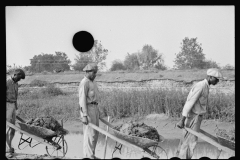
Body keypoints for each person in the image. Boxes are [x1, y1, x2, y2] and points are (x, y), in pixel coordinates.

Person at [176, 68, 223, 159]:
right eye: (216, 79)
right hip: (193, 116)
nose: (217, 81)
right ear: (210, 77)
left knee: (187, 140)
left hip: (197, 117)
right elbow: (189, 102)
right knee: (190, 141)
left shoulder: (206, 86)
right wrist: (182, 120)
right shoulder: (200, 86)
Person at [78, 63, 100, 159]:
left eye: (96, 72)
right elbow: (82, 100)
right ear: (87, 72)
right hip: (88, 109)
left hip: (95, 108)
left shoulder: (93, 82)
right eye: (93, 72)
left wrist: (99, 111)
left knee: (95, 133)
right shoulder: (84, 82)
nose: (95, 74)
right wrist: (84, 115)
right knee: (89, 133)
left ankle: (92, 155)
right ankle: (88, 156)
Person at [6, 69, 25, 158]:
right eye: (19, 78)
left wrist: (15, 107)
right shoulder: (6, 82)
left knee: (12, 129)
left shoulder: (16, 84)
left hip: (13, 106)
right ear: (15, 74)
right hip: (6, 105)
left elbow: (16, 96)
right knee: (6, 128)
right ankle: (7, 149)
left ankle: (9, 146)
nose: (19, 80)